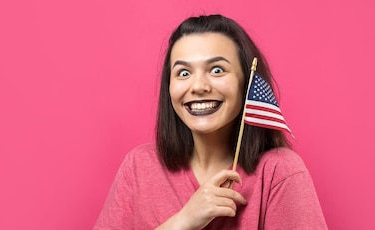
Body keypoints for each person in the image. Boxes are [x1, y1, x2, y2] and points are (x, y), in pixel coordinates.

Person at [94, 14, 327, 229]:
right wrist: (184, 221)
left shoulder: (279, 171)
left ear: (245, 82)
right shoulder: (138, 166)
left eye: (217, 70)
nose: (198, 87)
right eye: (183, 73)